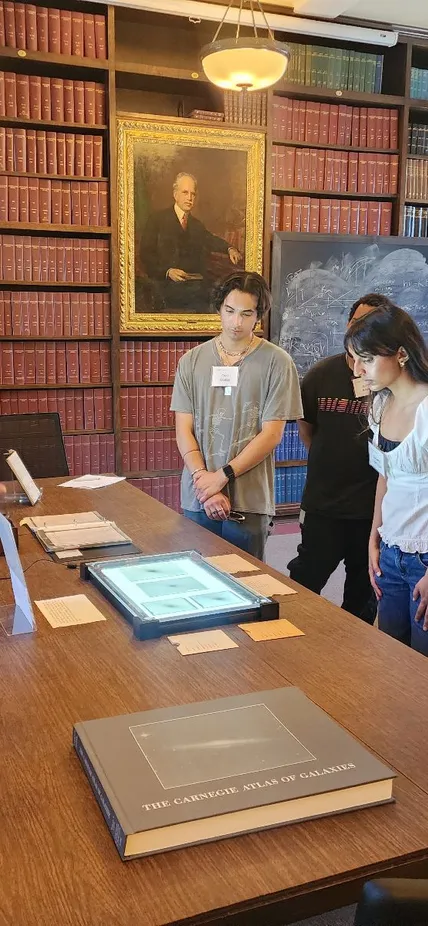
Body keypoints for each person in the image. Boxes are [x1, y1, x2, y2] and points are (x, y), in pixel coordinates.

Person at [170, 270, 302, 560]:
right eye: (229, 311)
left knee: (248, 582)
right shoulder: (191, 361)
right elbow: (184, 429)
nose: (236, 322)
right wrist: (204, 479)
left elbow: (272, 434)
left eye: (246, 313)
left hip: (249, 497)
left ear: (259, 316)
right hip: (198, 492)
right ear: (219, 308)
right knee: (197, 580)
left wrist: (223, 477)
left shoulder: (278, 362)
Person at [287, 294, 394, 624]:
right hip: (324, 504)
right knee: (305, 581)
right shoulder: (321, 374)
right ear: (348, 327)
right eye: (357, 323)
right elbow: (306, 427)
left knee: (363, 592)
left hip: (370, 510)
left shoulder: (390, 382)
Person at [345, 301, 428, 655]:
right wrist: (373, 539)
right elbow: (385, 477)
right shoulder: (380, 404)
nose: (359, 369)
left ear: (401, 354)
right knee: (392, 660)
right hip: (391, 552)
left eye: (367, 358)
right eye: (354, 359)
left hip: (425, 556)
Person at [141, 172, 242, 313]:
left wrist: (229, 248)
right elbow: (146, 254)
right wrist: (167, 272)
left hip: (193, 287)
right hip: (163, 286)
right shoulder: (157, 220)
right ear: (175, 194)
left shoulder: (196, 225)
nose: (189, 198)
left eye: (193, 194)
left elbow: (210, 239)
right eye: (185, 193)